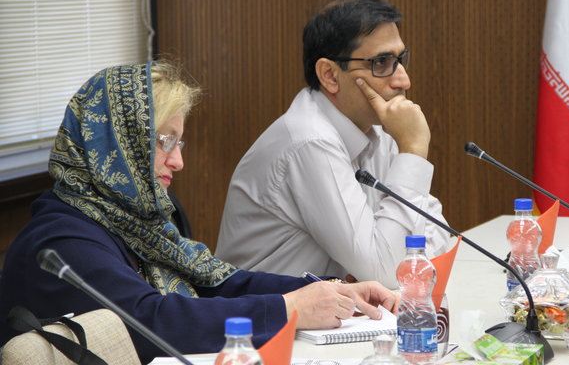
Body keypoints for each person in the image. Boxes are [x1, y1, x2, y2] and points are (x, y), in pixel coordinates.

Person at [0, 62, 398, 364]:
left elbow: (216, 284)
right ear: (113, 145)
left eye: (180, 143)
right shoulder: (61, 240)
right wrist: (290, 309)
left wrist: (331, 291)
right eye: (165, 141)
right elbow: (149, 322)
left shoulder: (134, 220)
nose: (178, 162)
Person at [216, 0, 452, 287]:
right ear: (329, 74)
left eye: (401, 59)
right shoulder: (310, 141)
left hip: (337, 309)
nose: (403, 80)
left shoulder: (380, 130)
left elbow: (439, 235)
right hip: (266, 313)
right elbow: (388, 273)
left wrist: (387, 263)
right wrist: (414, 151)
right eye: (381, 62)